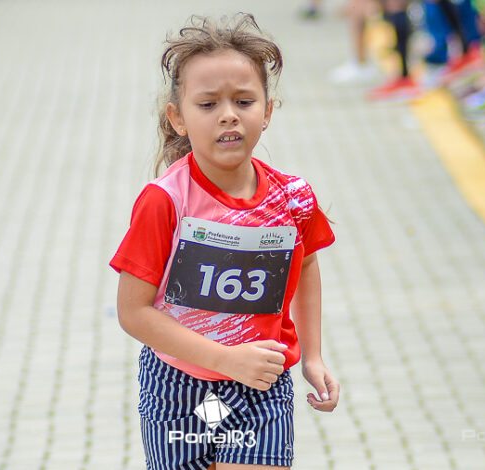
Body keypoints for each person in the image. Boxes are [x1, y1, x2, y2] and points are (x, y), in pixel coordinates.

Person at [110, 13, 340, 470]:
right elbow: (133, 312)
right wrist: (225, 359)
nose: (228, 114)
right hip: (177, 385)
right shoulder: (165, 201)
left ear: (267, 111)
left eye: (244, 100)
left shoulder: (293, 198)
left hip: (261, 382)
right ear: (177, 118)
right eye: (208, 103)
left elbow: (306, 265)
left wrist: (312, 357)